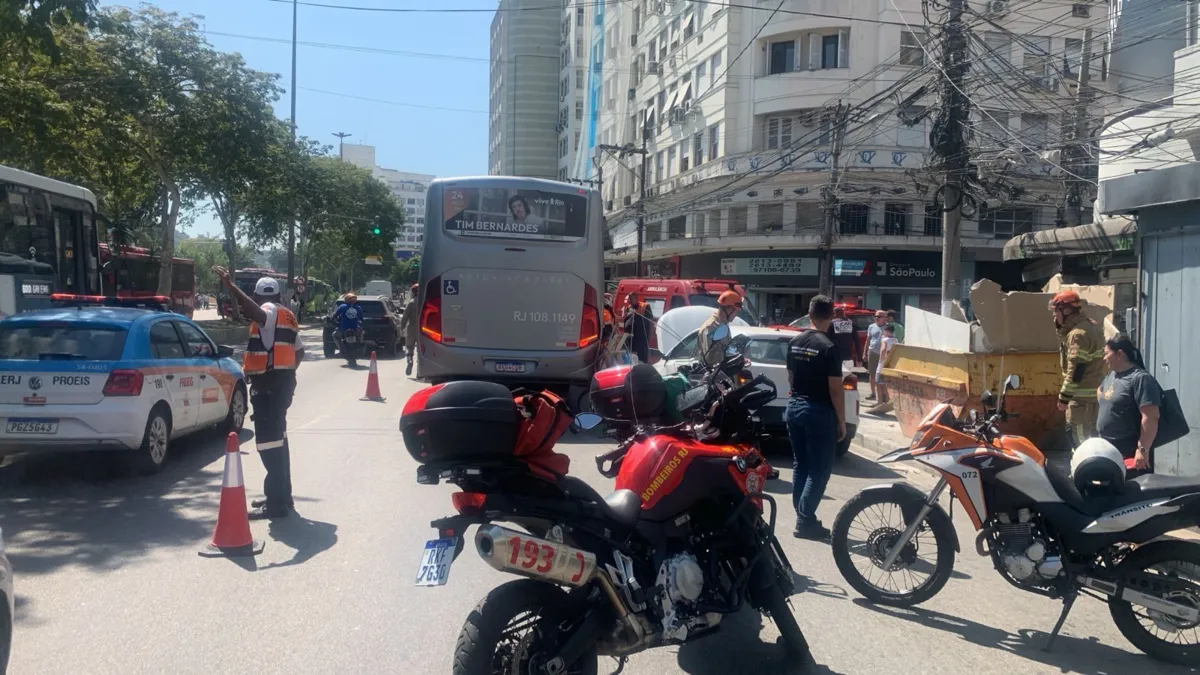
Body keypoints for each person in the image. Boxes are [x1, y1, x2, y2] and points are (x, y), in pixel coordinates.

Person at [214, 267, 305, 520]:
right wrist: (285, 373)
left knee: (269, 445)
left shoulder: (268, 312)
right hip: (280, 386)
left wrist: (231, 286)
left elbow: (256, 311)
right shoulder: (287, 315)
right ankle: (281, 496)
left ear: (258, 296)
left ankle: (276, 505)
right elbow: (299, 352)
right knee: (279, 442)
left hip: (269, 389)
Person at [785, 295, 846, 541]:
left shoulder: (795, 342)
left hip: (794, 408)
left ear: (809, 314)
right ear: (831, 317)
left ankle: (804, 517)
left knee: (801, 464)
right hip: (818, 411)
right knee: (819, 471)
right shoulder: (830, 348)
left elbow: (791, 378)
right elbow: (835, 389)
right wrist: (841, 421)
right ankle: (805, 519)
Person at [1097, 335, 1161, 475]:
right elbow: (1101, 392)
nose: (1104, 358)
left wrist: (1142, 450)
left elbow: (1150, 416)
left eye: (1106, 353)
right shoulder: (1112, 375)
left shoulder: (1141, 378)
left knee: (1131, 494)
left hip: (1130, 454)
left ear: (1119, 354)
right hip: (1108, 450)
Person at [1050, 290, 1106, 447]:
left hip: (1080, 401)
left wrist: (1063, 397)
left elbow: (1076, 370)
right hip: (1093, 397)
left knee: (1080, 442)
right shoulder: (1091, 326)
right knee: (1092, 438)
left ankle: (1082, 470)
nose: (1055, 317)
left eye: (1056, 312)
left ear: (1066, 311)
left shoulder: (1077, 335)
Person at [697, 290, 742, 367]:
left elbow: (727, 351)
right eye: (736, 312)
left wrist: (738, 358)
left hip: (722, 374)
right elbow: (709, 359)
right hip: (712, 376)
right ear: (728, 308)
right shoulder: (710, 327)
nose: (736, 315)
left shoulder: (723, 326)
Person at [868, 323, 899, 413]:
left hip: (882, 364)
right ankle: (888, 401)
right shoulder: (895, 340)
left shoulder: (884, 339)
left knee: (879, 384)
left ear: (886, 331)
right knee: (886, 384)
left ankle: (880, 401)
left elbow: (883, 349)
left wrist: (881, 360)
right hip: (891, 364)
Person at [623, 293, 652, 364]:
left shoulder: (645, 306)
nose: (630, 301)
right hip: (630, 340)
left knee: (641, 359)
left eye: (631, 299)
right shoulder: (628, 308)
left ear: (636, 298)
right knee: (631, 359)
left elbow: (650, 322)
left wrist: (649, 337)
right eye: (629, 299)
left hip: (641, 340)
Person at [334, 292, 364, 358]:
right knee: (361, 334)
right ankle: (360, 345)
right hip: (355, 328)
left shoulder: (342, 306)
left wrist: (336, 320)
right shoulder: (358, 308)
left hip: (343, 328)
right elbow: (361, 318)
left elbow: (335, 315)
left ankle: (341, 350)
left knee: (335, 335)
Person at [866, 310, 887, 401]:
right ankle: (873, 393)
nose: (876, 318)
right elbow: (868, 340)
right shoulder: (871, 327)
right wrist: (864, 353)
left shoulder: (888, 327)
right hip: (872, 352)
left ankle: (884, 395)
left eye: (878, 316)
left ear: (884, 317)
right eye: (875, 316)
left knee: (883, 374)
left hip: (884, 354)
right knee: (872, 373)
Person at [400, 283, 420, 376]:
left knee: (409, 347)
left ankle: (410, 360)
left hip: (412, 327)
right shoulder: (426, 301)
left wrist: (402, 327)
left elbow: (405, 316)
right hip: (424, 330)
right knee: (422, 350)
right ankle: (420, 370)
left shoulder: (411, 302)